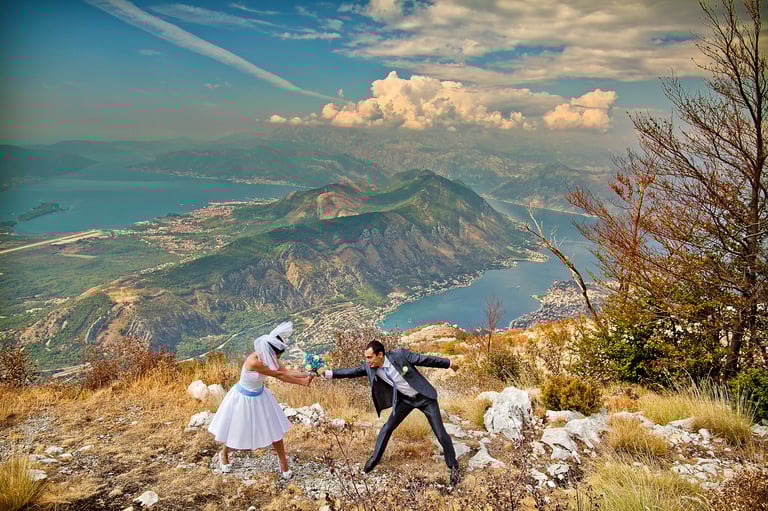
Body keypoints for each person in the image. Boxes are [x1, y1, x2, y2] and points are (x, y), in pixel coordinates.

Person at [320, 340, 461, 486]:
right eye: (366, 358)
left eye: (369, 357)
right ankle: (374, 459)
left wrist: (449, 364)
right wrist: (326, 373)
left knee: (440, 433)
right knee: (387, 427)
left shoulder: (400, 355)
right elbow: (351, 372)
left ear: (380, 354)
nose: (367, 361)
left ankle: (453, 466)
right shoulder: (371, 367)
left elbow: (425, 359)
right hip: (405, 401)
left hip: (425, 398)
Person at [207, 321, 312, 479]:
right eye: (277, 356)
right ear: (269, 351)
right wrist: (303, 383)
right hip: (242, 399)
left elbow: (285, 370)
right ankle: (224, 453)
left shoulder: (270, 356)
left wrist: (308, 374)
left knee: (274, 430)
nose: (278, 358)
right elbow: (279, 375)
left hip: (260, 396)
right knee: (236, 430)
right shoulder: (254, 362)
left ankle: (283, 464)